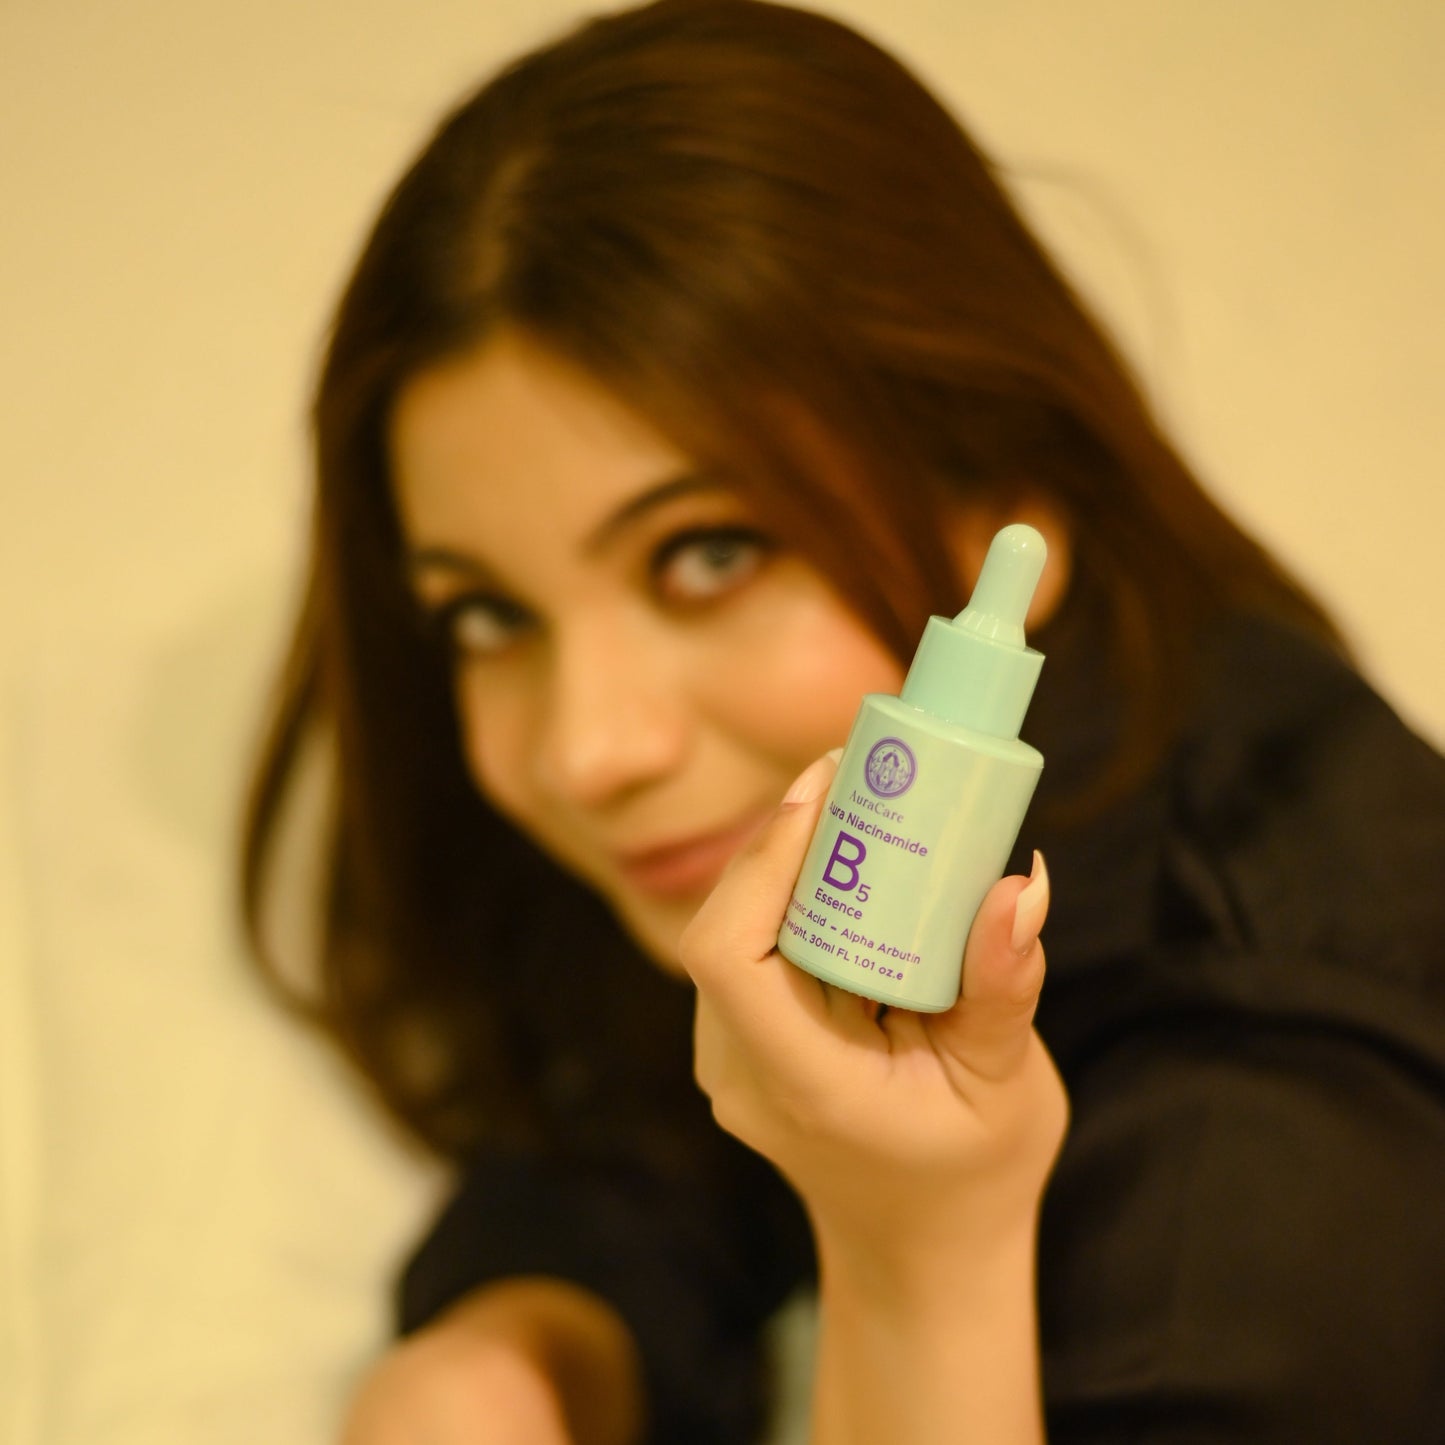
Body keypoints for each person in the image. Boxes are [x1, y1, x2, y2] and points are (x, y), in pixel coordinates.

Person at [239, 1, 1445, 1441]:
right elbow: (641, 1127)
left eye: (706, 554)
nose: (585, 748)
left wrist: (916, 1251)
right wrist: (515, 1349)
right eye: (489, 614)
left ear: (1004, 503)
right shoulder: (784, 832)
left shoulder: (1259, 1112)